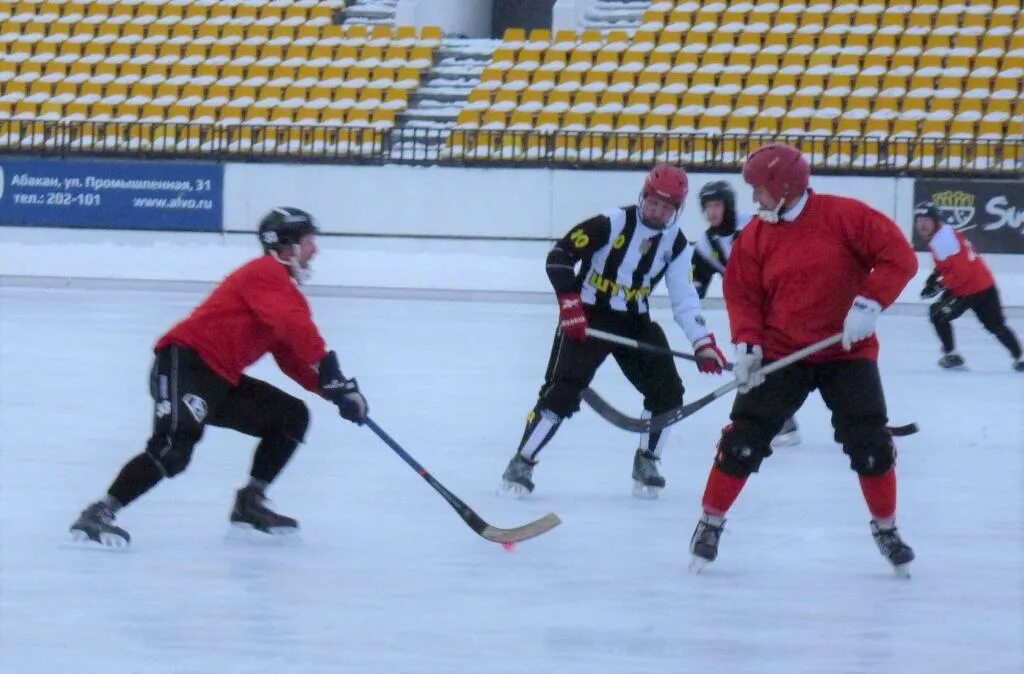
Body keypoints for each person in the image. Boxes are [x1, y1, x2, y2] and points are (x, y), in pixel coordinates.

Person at [69, 207, 369, 548]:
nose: (315, 249)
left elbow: (292, 358)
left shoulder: (281, 291)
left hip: (219, 379)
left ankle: (250, 502)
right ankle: (99, 512)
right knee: (173, 450)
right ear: (288, 246)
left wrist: (336, 393)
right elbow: (294, 325)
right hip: (185, 364)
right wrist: (330, 371)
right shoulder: (265, 272)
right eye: (309, 241)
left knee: (291, 416)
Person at [686, 143, 920, 575]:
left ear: (786, 187)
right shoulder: (755, 236)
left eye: (760, 189)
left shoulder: (844, 216)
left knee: (869, 442)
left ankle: (886, 529)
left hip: (846, 352)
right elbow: (743, 294)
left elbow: (899, 258)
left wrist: (868, 305)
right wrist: (748, 345)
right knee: (743, 439)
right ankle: (709, 523)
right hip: (782, 352)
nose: (754, 199)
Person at [500, 164, 727, 499]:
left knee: (668, 392)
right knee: (562, 391)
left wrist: (701, 343)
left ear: (677, 211)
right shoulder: (611, 222)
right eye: (653, 203)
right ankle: (522, 461)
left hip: (635, 321)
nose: (657, 212)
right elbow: (559, 256)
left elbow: (684, 298)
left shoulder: (676, 244)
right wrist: (570, 305)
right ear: (643, 196)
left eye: (666, 208)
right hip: (589, 318)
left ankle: (647, 460)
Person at [691, 179, 801, 447]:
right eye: (707, 207)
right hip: (748, 314)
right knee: (757, 362)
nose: (711, 213)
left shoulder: (757, 223)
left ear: (727, 206)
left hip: (781, 304)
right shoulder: (705, 245)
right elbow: (694, 288)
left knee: (783, 363)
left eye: (716, 205)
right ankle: (779, 419)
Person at [914, 201, 1024, 372]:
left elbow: (961, 272)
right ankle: (1020, 356)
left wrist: (938, 285)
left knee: (938, 314)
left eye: (926, 220)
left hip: (967, 289)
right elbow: (952, 262)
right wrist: (935, 276)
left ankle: (952, 355)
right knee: (996, 326)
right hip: (984, 284)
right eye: (919, 220)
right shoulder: (944, 234)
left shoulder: (942, 240)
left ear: (935, 220)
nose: (922, 224)